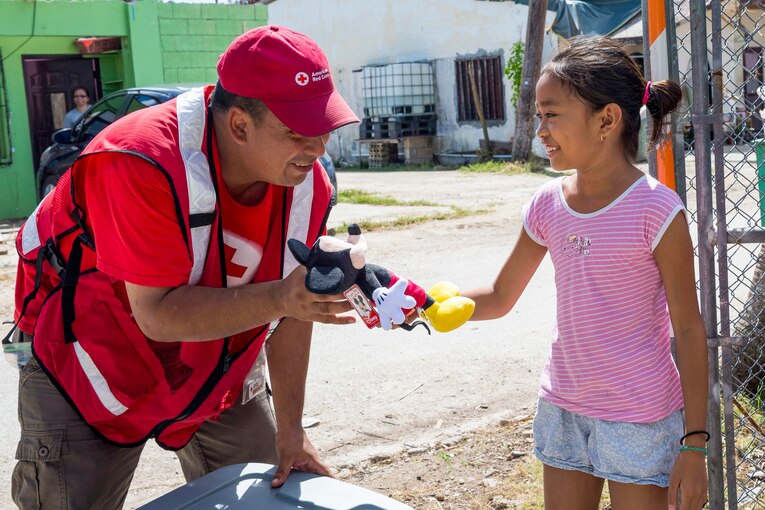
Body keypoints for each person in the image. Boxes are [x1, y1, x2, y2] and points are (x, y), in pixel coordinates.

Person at [7, 25, 359, 510]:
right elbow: (158, 314)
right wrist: (282, 297)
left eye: (323, 129)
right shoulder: (137, 159)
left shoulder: (307, 183)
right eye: (298, 133)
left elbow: (292, 307)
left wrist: (293, 433)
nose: (318, 150)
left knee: (264, 497)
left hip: (215, 366)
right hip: (87, 368)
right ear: (239, 125)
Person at [464, 37, 709, 510]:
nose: (540, 130)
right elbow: (499, 294)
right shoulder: (546, 205)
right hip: (564, 409)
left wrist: (694, 444)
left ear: (607, 120)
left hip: (639, 418)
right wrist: (422, 300)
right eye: (539, 116)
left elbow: (688, 328)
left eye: (551, 115)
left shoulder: (656, 211)